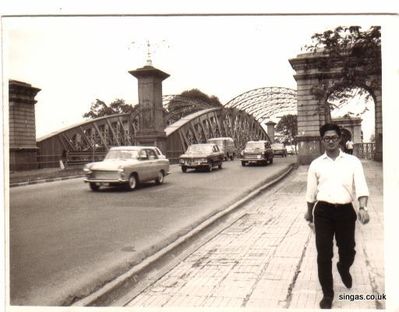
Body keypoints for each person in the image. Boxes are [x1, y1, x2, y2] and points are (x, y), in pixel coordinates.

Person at [304, 123, 370, 309]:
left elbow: (362, 186)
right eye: (327, 138)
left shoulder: (352, 162)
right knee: (324, 254)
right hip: (323, 212)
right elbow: (310, 193)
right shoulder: (316, 164)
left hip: (345, 211)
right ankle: (327, 294)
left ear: (340, 139)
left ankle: (344, 266)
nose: (330, 141)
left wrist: (363, 208)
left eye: (334, 137)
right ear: (322, 140)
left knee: (348, 249)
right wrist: (309, 214)